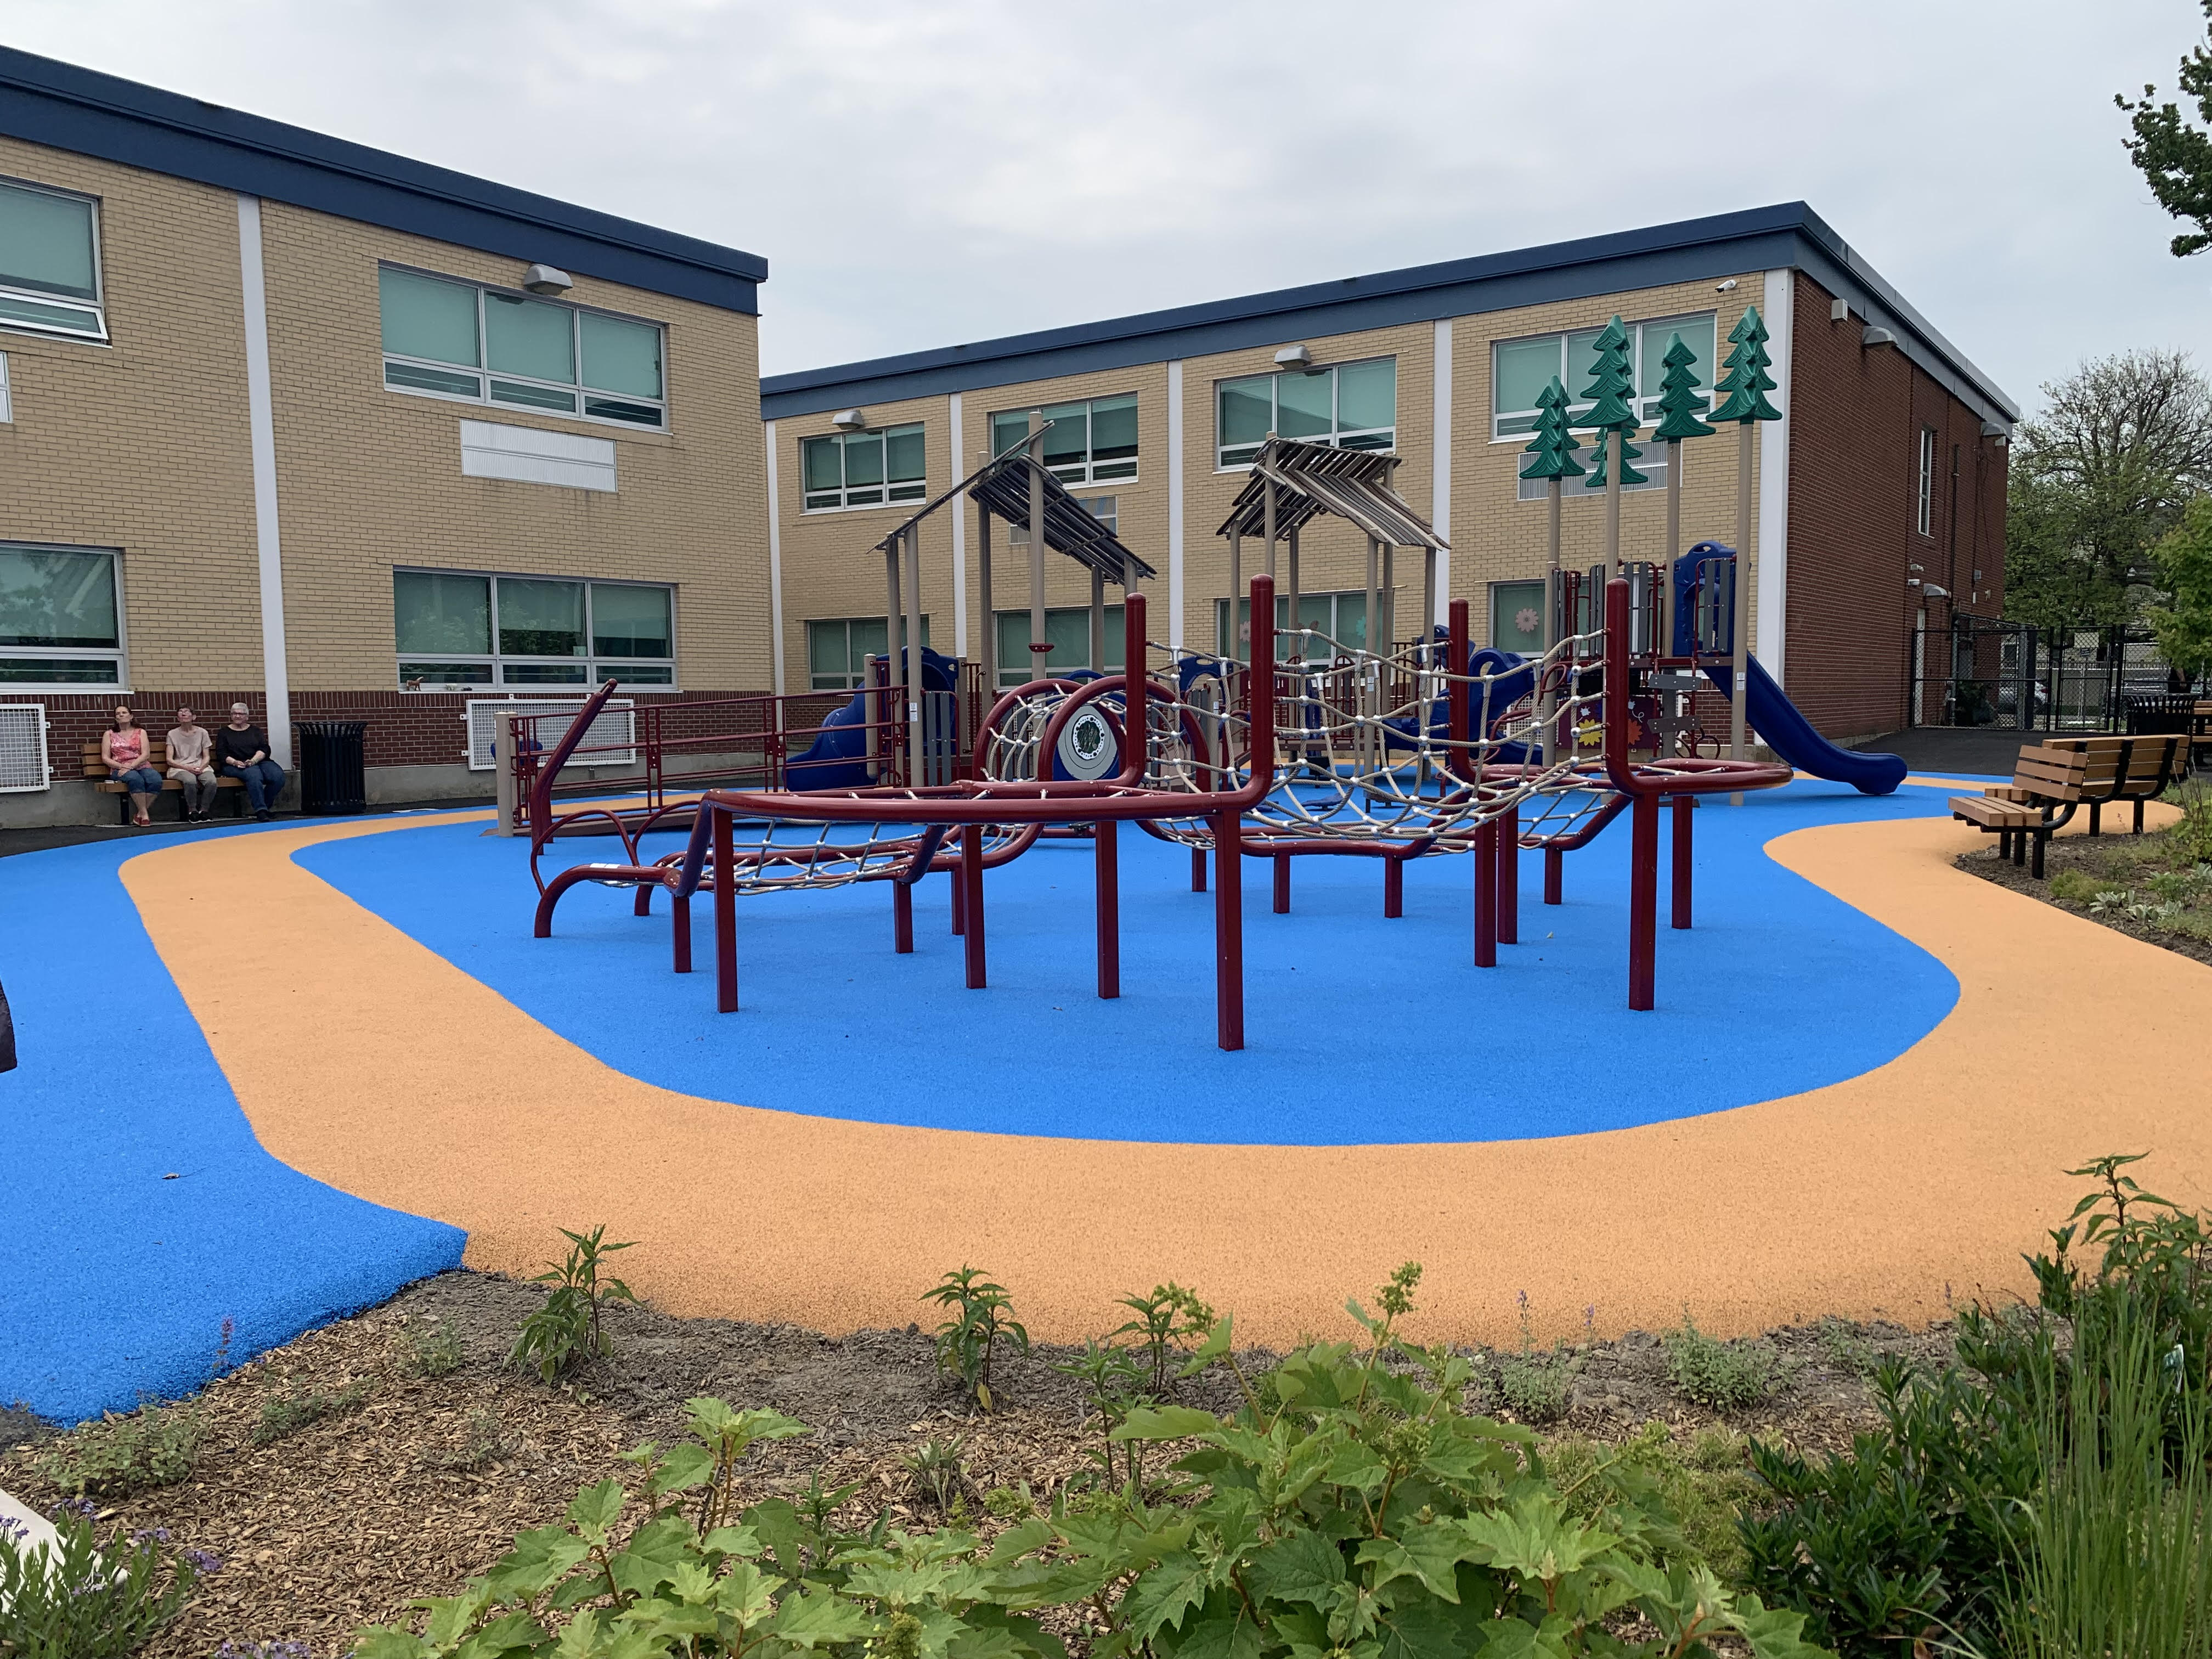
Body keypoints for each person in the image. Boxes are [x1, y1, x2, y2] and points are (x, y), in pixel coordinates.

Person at [215, 703, 285, 820]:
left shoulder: (255, 731)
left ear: (247, 716)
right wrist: (236, 762)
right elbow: (221, 754)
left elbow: (265, 748)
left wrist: (253, 761)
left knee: (278, 776)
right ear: (231, 716)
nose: (237, 716)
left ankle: (266, 806)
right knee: (254, 774)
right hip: (233, 765)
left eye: (241, 714)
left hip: (257, 761)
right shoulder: (224, 733)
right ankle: (261, 810)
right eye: (234, 713)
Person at [102, 704, 164, 826]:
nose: (121, 715)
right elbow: (105, 758)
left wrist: (130, 766)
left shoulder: (141, 732)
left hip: (140, 765)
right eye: (118, 714)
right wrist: (122, 767)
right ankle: (144, 815)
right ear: (115, 719)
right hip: (119, 768)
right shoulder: (109, 734)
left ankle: (139, 814)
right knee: (135, 779)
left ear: (131, 716)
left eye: (124, 713)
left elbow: (145, 754)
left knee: (155, 779)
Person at [165, 707, 220, 821]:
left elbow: (207, 756)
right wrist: (187, 768)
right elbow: (170, 760)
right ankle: (192, 810)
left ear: (194, 717)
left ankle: (204, 810)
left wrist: (202, 767)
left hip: (200, 766)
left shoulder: (203, 733)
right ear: (178, 718)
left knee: (211, 781)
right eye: (180, 712)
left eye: (187, 711)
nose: (183, 713)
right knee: (190, 780)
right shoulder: (172, 734)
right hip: (180, 767)